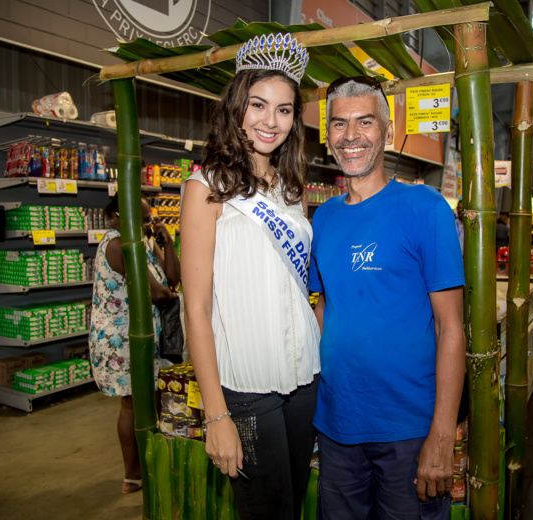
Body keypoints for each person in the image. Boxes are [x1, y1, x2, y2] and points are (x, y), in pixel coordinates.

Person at [309, 76, 465, 519]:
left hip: (408, 429)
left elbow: (451, 327)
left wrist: (442, 436)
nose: (351, 135)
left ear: (388, 130)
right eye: (339, 124)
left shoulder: (425, 207)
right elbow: (325, 305)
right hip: (337, 425)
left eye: (365, 122)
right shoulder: (324, 218)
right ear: (327, 136)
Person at [179, 33, 319, 520]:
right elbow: (195, 308)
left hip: (305, 378)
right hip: (246, 387)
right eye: (258, 105)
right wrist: (215, 413)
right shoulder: (205, 188)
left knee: (293, 506)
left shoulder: (292, 189)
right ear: (237, 107)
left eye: (284, 110)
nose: (270, 121)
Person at [89, 195, 179, 494]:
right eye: (141, 219)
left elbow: (172, 279)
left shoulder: (142, 242)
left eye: (148, 219)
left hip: (147, 336)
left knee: (153, 400)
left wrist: (167, 242)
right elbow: (159, 294)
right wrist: (171, 294)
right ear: (117, 216)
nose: (146, 225)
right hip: (122, 339)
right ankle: (133, 475)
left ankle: (148, 468)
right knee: (133, 404)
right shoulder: (118, 245)